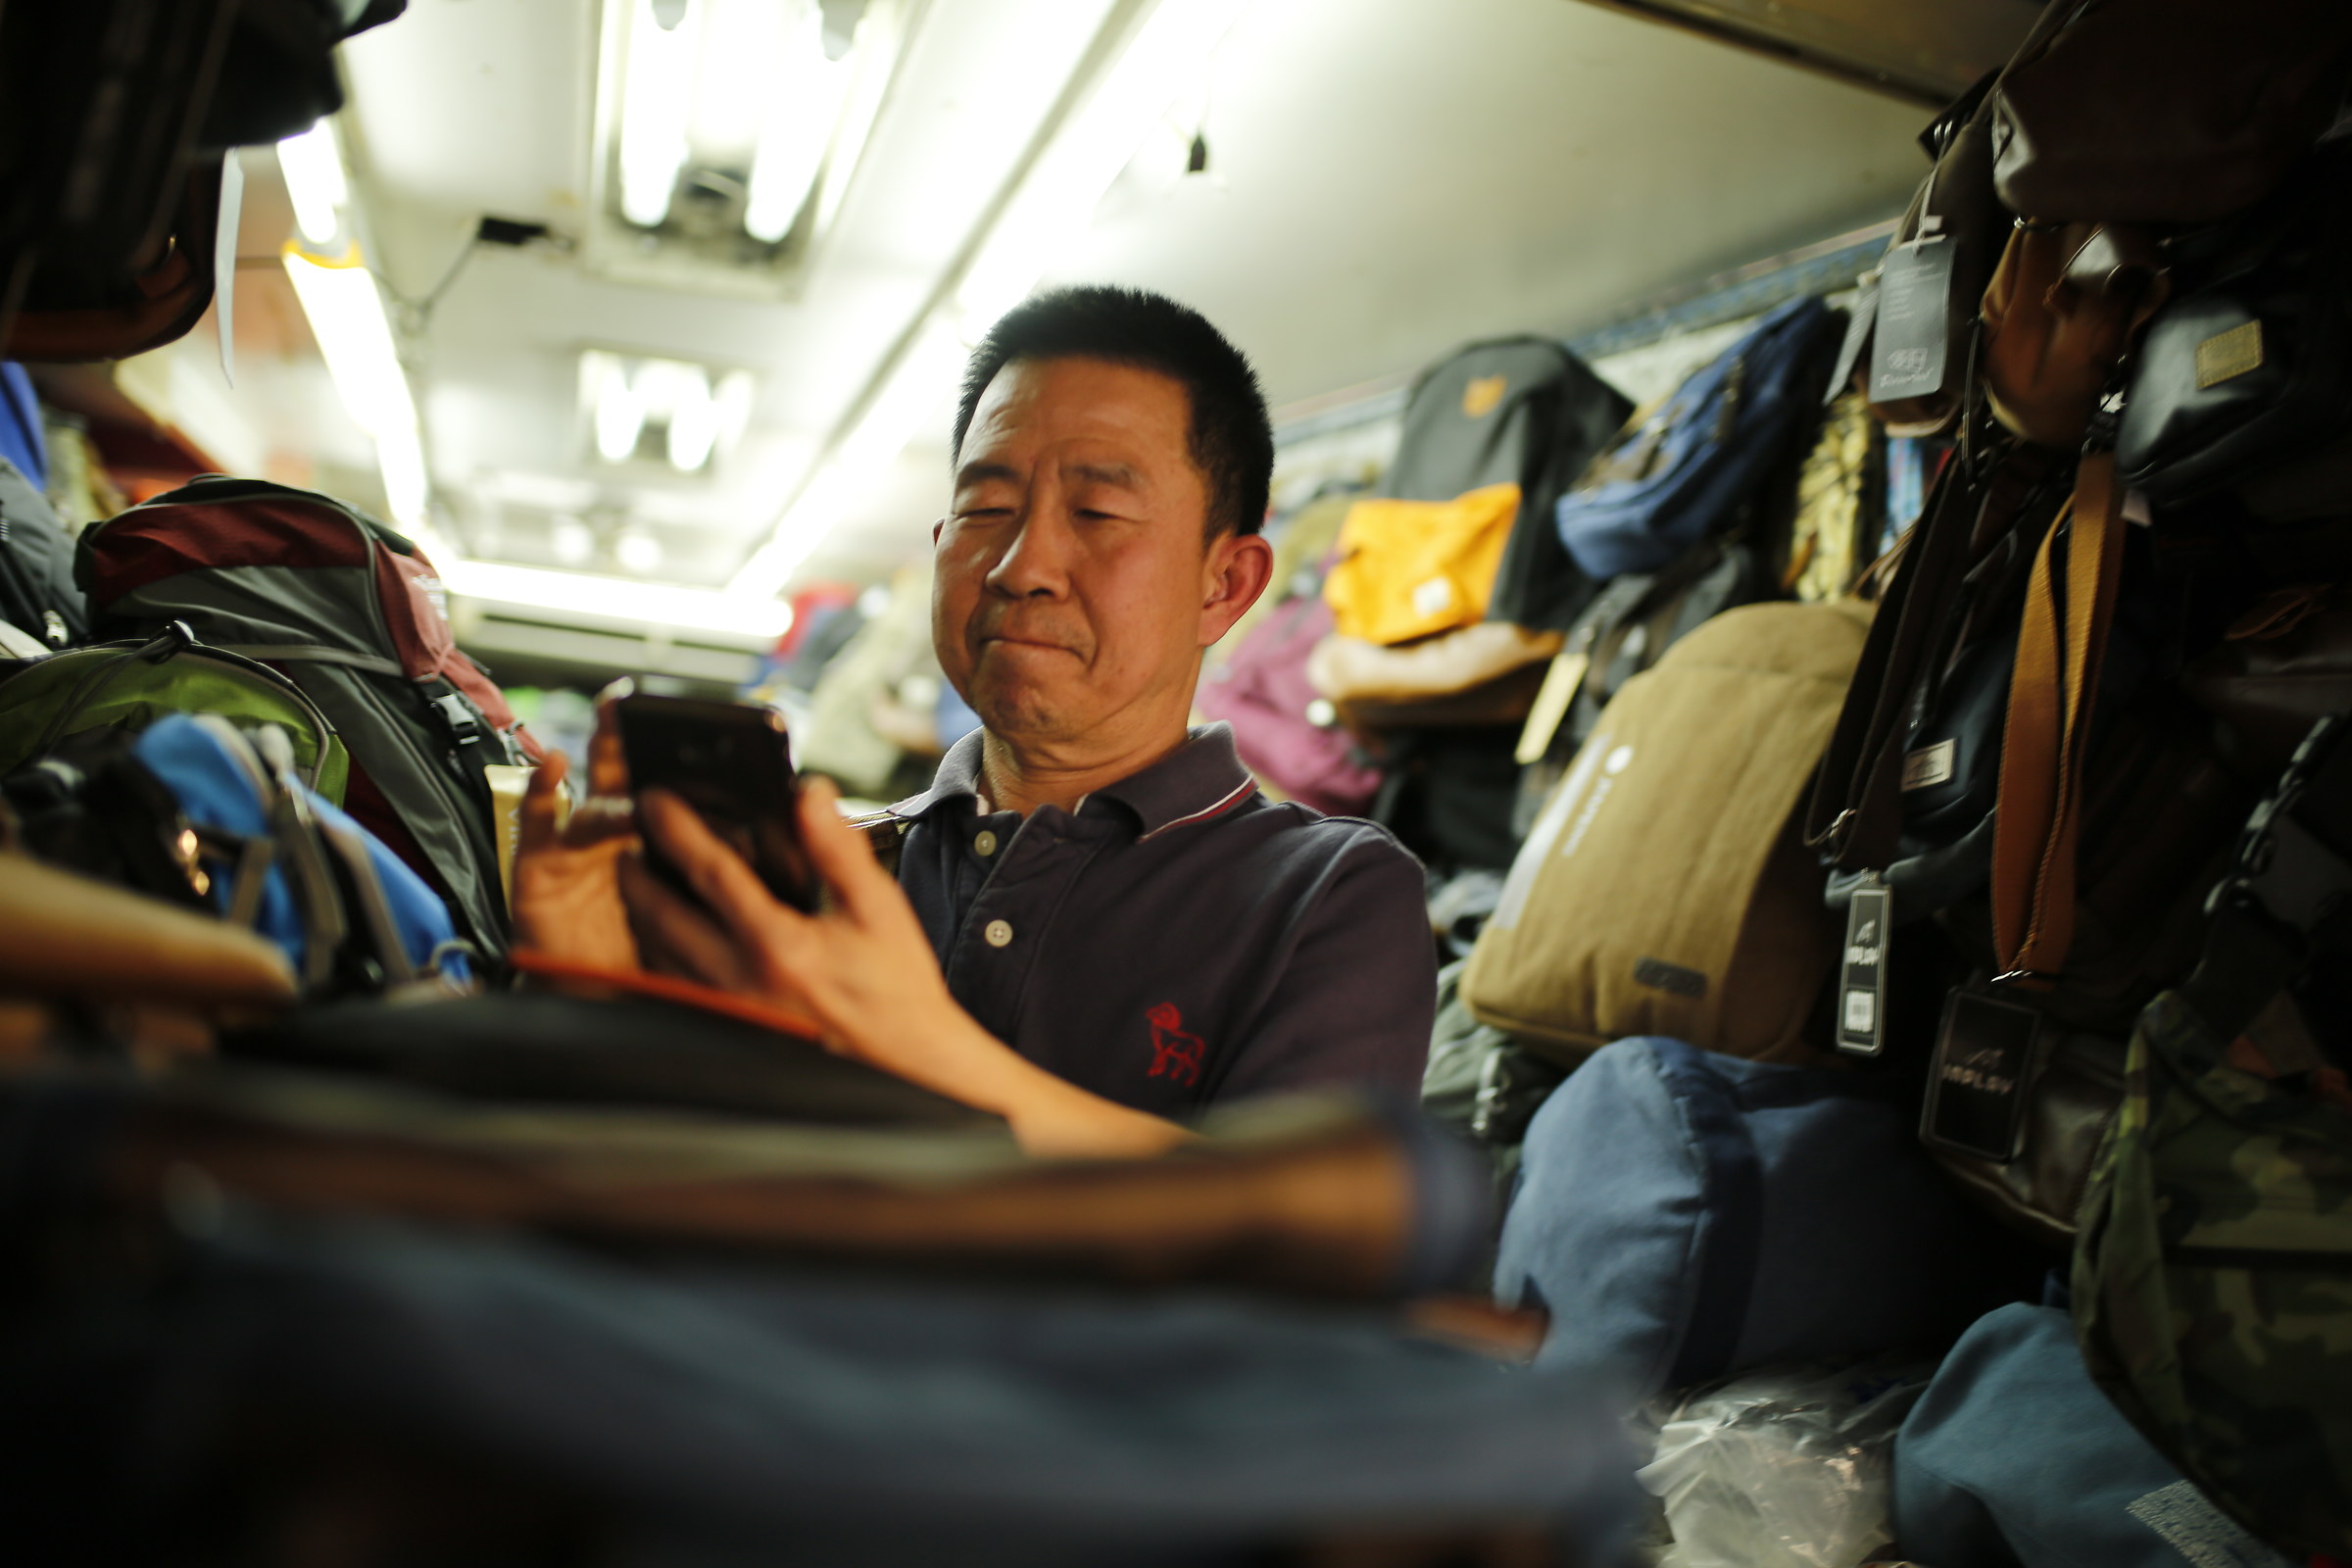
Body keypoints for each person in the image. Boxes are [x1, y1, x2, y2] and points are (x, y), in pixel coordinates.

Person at [513, 286, 1436, 1155]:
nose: (1020, 564)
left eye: (1099, 509)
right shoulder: (838, 864)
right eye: (985, 508)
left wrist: (918, 1052)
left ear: (1223, 584)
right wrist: (586, 999)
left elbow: (1303, 1249)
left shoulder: (1329, 896)